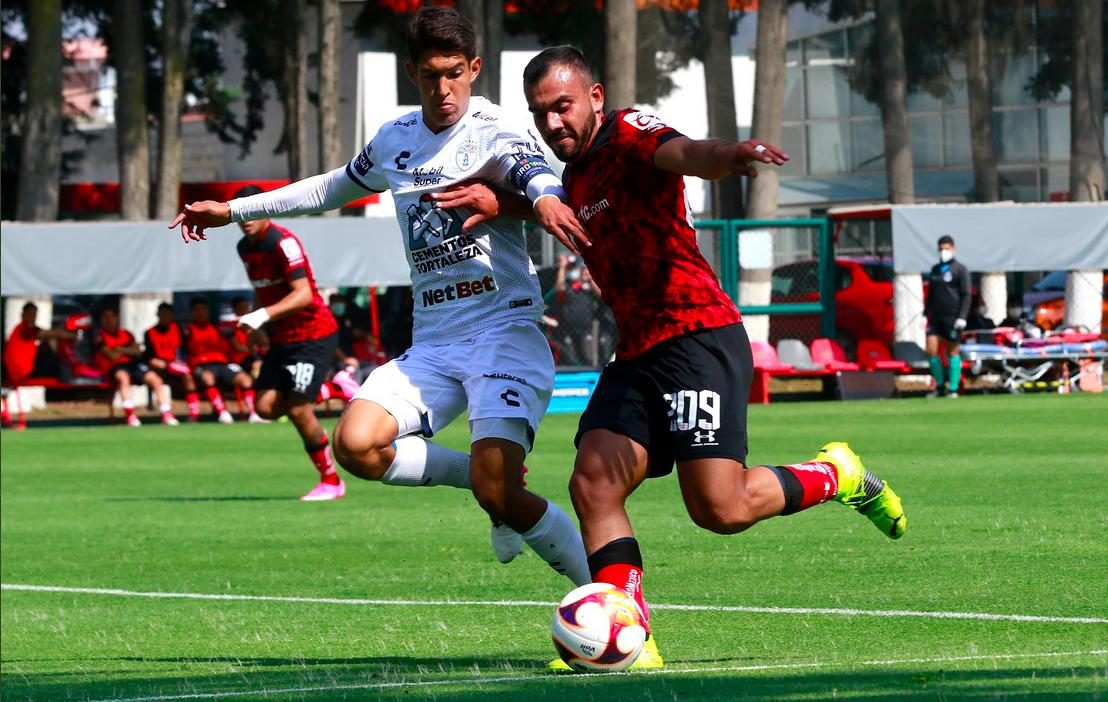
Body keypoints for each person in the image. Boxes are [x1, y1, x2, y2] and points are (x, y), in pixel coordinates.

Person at [437, 46, 907, 671]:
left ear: (595, 98)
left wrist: (728, 155)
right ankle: (632, 634)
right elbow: (570, 208)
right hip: (638, 352)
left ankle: (836, 474)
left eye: (563, 107)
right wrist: (507, 204)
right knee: (592, 483)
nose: (553, 124)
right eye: (540, 113)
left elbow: (683, 153)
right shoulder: (572, 177)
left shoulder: (628, 132)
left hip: (696, 337)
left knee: (721, 508)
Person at [169, 7, 593, 576]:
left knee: (502, 496)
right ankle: (479, 473)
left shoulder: (498, 132)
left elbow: (535, 176)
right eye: (429, 75)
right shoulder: (395, 140)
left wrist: (543, 198)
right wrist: (234, 210)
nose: (442, 89)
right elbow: (329, 188)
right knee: (357, 444)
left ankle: (607, 601)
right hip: (436, 341)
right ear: (411, 73)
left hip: (504, 332)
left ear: (474, 68)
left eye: (453, 73)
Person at [93, 306, 177, 426]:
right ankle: (130, 414)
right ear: (102, 320)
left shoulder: (126, 334)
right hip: (114, 367)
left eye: (112, 316)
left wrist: (119, 348)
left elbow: (137, 351)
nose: (109, 320)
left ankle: (166, 413)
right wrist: (127, 350)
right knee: (123, 378)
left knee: (155, 379)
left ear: (117, 318)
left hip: (132, 364)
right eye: (106, 317)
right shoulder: (100, 337)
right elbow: (112, 356)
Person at [184, 298, 261, 424]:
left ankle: (254, 413)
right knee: (208, 379)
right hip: (201, 365)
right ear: (192, 313)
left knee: (245, 380)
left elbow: (234, 343)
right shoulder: (188, 330)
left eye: (203, 310)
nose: (201, 313)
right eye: (197, 310)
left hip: (222, 363)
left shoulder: (219, 328)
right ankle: (223, 413)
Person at [925, 235, 971, 398]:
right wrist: (925, 314)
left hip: (953, 317)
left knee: (953, 351)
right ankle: (939, 386)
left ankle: (952, 389)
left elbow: (966, 294)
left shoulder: (960, 269)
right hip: (936, 318)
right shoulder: (935, 270)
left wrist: (962, 316)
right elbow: (931, 294)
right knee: (931, 350)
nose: (944, 252)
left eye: (947, 248)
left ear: (953, 249)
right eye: (942, 249)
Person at [144, 302, 203, 422]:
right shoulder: (149, 332)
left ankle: (194, 414)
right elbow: (149, 357)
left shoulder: (177, 329)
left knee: (188, 376)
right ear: (158, 315)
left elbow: (185, 350)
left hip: (176, 365)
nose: (165, 317)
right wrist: (166, 365)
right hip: (160, 367)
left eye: (168, 314)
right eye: (163, 314)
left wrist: (180, 361)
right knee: (156, 379)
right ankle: (166, 414)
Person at [3, 302, 75, 383]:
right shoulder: (26, 330)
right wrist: (73, 336)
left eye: (34, 315)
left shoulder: (20, 328)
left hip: (17, 372)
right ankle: (67, 372)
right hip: (22, 373)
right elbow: (54, 333)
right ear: (22, 315)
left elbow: (46, 334)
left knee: (49, 341)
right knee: (52, 340)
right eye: (29, 314)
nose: (32, 318)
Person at [227, 296, 266, 378]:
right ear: (235, 310)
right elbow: (239, 347)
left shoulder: (253, 325)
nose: (246, 311)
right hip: (242, 359)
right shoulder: (230, 327)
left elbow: (264, 344)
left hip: (256, 355)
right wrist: (253, 348)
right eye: (242, 308)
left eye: (247, 307)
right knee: (257, 366)